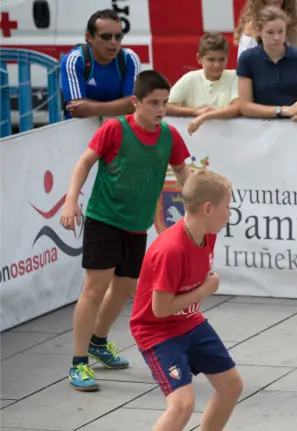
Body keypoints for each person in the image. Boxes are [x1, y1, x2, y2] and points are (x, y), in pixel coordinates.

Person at [59, 70, 193, 392]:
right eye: (153, 103)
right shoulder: (114, 129)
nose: (160, 109)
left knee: (124, 288)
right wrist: (71, 200)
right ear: (135, 102)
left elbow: (183, 172)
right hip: (104, 219)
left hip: (137, 225)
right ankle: (78, 362)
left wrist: (196, 208)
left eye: (165, 102)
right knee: (95, 288)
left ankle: (98, 342)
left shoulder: (170, 135)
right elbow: (84, 162)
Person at [130, 169, 243, 431]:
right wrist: (204, 290)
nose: (229, 213)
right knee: (182, 405)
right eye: (226, 207)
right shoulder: (171, 250)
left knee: (231, 386)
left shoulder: (208, 234)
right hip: (157, 332)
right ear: (207, 208)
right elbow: (160, 310)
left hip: (189, 322)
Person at [237, 6, 297, 121]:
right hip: (261, 126)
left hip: (296, 124)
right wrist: (283, 110)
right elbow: (245, 106)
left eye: (281, 31)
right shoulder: (247, 59)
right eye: (270, 32)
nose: (276, 37)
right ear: (259, 32)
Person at [60, 9, 142, 118]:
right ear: (89, 37)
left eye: (118, 37)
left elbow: (134, 104)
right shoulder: (75, 60)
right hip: (80, 127)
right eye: (106, 37)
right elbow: (76, 110)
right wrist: (122, 105)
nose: (113, 42)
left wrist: (89, 107)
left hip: (117, 126)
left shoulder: (129, 58)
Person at [166, 33, 240, 135]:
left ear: (227, 58)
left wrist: (203, 117)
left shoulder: (234, 76)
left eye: (221, 59)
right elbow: (165, 106)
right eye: (211, 59)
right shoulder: (190, 78)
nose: (217, 65)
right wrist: (195, 111)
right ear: (199, 59)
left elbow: (237, 107)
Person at [233, 0, 297, 59]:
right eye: (270, 32)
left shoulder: (291, 25)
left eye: (281, 31)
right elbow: (244, 65)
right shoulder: (252, 28)